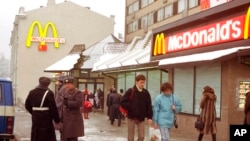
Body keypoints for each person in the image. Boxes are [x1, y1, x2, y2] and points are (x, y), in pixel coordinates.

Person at [25, 77, 60, 141]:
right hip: (46, 117)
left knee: (35, 132)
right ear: (48, 84)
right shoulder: (49, 93)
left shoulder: (32, 92)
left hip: (35, 116)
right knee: (46, 135)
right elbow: (53, 108)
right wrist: (56, 119)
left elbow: (27, 105)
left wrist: (34, 112)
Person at [120, 74, 153, 141]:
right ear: (136, 82)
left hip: (141, 118)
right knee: (131, 137)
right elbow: (122, 102)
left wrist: (150, 117)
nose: (143, 84)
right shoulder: (131, 91)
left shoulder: (145, 92)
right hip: (131, 117)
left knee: (141, 136)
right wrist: (131, 107)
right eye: (141, 82)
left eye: (144, 82)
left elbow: (149, 105)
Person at [56, 77, 84, 141]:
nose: (67, 85)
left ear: (73, 84)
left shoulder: (77, 92)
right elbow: (60, 103)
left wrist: (68, 103)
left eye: (69, 83)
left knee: (72, 137)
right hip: (64, 119)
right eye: (66, 84)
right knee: (63, 137)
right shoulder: (64, 92)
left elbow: (79, 103)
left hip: (73, 120)